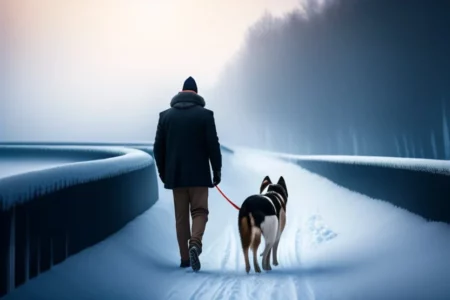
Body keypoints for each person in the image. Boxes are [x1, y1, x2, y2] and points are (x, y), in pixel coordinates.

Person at [153, 76, 222, 272]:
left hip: (177, 176)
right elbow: (213, 146)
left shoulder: (165, 116)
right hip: (200, 175)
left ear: (180, 92)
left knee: (181, 218)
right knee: (200, 211)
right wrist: (216, 170)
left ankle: (185, 258)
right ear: (196, 94)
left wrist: (164, 173)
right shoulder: (205, 116)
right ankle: (195, 243)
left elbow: (158, 149)